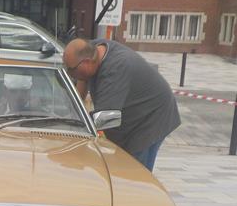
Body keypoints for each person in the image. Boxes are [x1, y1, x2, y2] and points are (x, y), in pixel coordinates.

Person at [63, 38, 180, 171]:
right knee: (120, 164)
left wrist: (74, 127)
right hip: (133, 110)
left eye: (71, 70)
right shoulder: (92, 49)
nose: (70, 74)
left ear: (86, 62)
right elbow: (82, 79)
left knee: (134, 170)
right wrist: (73, 108)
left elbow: (105, 120)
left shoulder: (114, 71)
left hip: (151, 119)